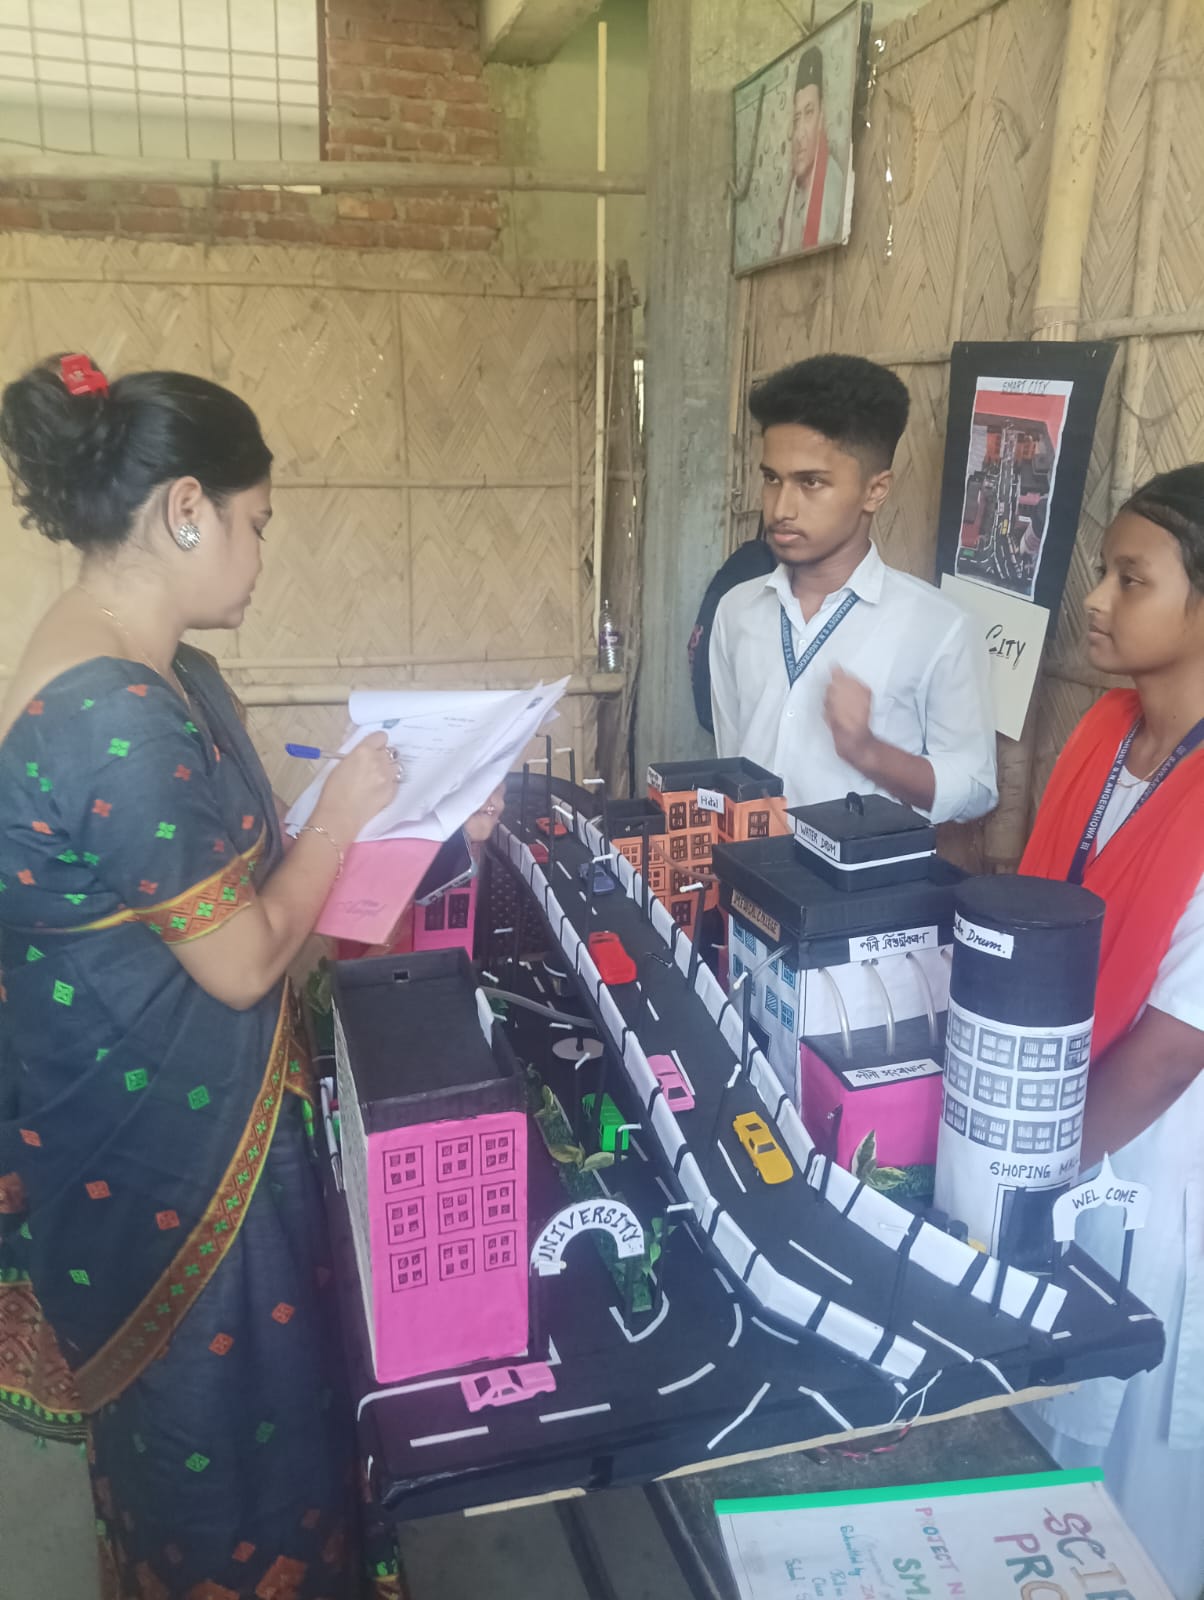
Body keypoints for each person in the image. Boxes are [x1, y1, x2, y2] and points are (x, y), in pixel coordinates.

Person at [0, 355, 501, 1598]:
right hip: (167, 1165)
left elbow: (259, 883)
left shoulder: (171, 675)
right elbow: (239, 960)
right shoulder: (110, 717)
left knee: (275, 1416)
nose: (263, 555)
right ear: (186, 509)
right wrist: (344, 813)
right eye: (257, 523)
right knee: (218, 1444)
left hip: (212, 1119)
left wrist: (417, 824)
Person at [1019, 466, 1204, 1600]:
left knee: (1136, 1497)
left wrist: (1021, 1172)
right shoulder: (1105, 733)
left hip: (1153, 1172)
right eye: (1102, 570)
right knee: (1045, 1468)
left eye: (1130, 579)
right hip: (1060, 1134)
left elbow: (1174, 1048)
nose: (1094, 599)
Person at [710, 355, 997, 823]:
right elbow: (730, 754)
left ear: (875, 491)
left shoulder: (940, 628)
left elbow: (976, 791)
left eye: (811, 482)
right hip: (744, 865)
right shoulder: (736, 610)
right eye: (771, 479)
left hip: (860, 872)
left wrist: (867, 752)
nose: (780, 509)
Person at [777, 46, 847, 257]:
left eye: (809, 113)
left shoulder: (833, 182)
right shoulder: (794, 191)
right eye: (796, 118)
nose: (800, 134)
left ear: (821, 116)